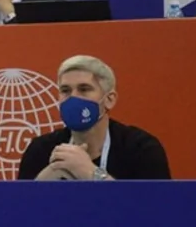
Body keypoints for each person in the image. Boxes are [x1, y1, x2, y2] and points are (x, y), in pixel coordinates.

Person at [18, 55, 170, 180]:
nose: (73, 97)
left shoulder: (140, 148)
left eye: (84, 89)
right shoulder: (40, 148)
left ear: (109, 99)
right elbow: (18, 210)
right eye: (65, 90)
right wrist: (43, 181)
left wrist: (90, 172)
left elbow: (154, 209)